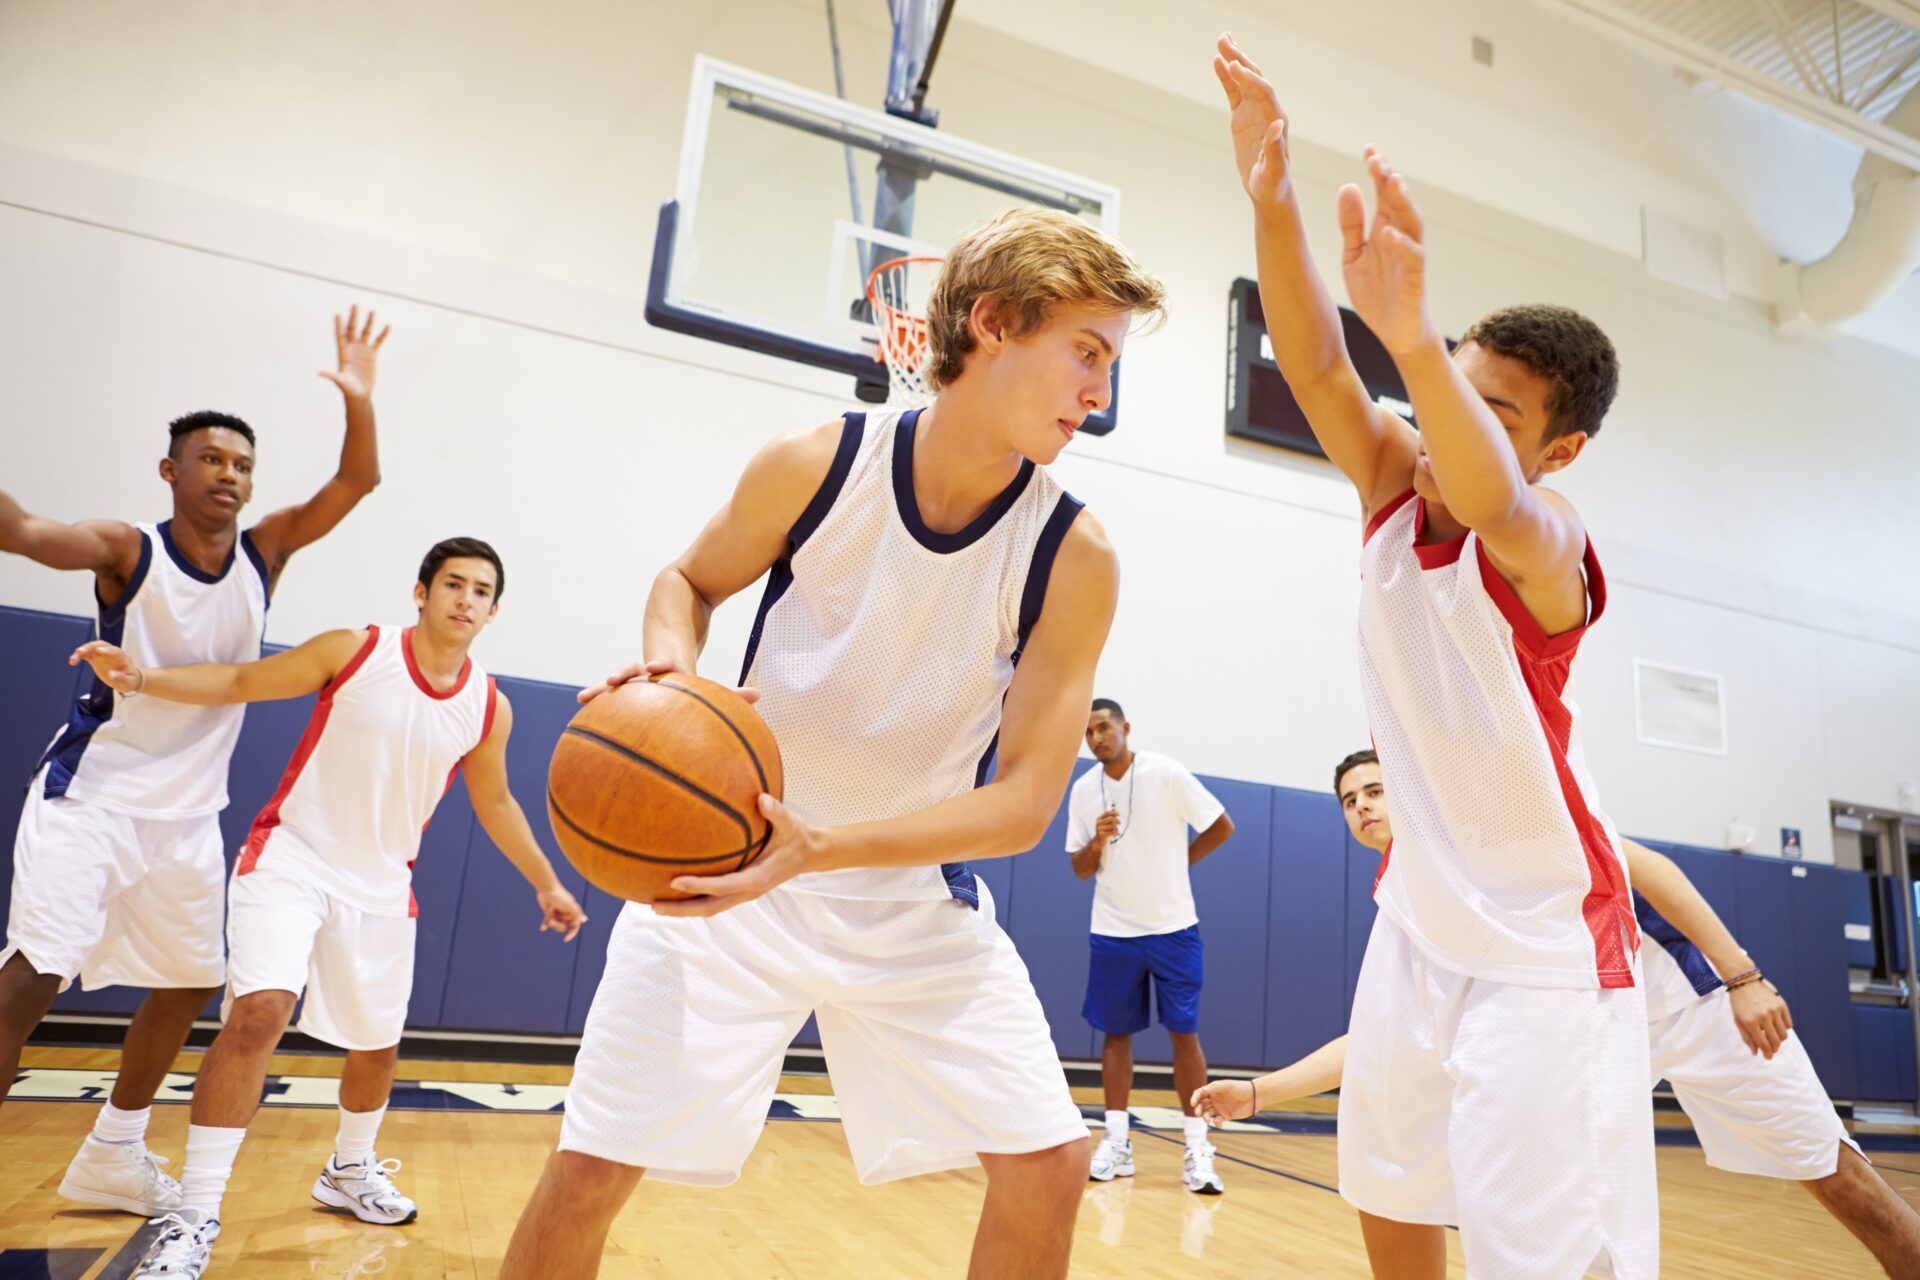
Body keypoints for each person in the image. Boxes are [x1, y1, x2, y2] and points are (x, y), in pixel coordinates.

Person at [500, 207, 1166, 1280]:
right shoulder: (820, 462)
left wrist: (821, 848)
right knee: (588, 1170)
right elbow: (686, 581)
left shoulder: (1073, 553)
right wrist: (669, 678)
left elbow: (1025, 804)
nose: (1100, 391)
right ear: (994, 324)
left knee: (1049, 1165)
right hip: (723, 886)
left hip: (907, 903)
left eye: (1111, 365)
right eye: (1087, 352)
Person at [1219, 32, 1653, 1277]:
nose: (1436, 419)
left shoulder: (1548, 539)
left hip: (1548, 938)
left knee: (1534, 1247)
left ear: (1558, 450)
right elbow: (1314, 361)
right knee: (1388, 1187)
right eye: (1441, 388)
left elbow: (1497, 499)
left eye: (1487, 407)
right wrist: (1272, 198)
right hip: (1421, 914)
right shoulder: (1392, 486)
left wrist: (1412, 341)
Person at [66, 537, 587, 1279]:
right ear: (421, 592)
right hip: (291, 857)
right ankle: (196, 1213)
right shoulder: (356, 649)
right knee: (260, 1013)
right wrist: (142, 677)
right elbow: (242, 678)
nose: (465, 600)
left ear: (493, 611)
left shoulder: (488, 706)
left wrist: (547, 881)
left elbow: (496, 801)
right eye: (453, 584)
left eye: (480, 591)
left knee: (376, 1045)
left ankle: (348, 1169)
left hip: (381, 884)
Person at [1194, 748, 1920, 1279]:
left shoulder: (1491, 819)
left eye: (1376, 789)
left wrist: (1743, 977)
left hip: (1691, 1006)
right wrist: (1260, 1091)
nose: (1362, 806)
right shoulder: (1401, 895)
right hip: (1585, 1037)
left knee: (1839, 1176)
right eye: (1349, 799)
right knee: (1573, 1229)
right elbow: (1385, 1039)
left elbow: (1653, 872)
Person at [0, 308, 389, 1221]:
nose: (229, 475)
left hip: (185, 814)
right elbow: (24, 531)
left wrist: (358, 399)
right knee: (31, 979)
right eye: (210, 459)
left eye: (242, 464)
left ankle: (113, 1154)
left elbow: (357, 480)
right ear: (171, 471)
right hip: (92, 797)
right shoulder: (126, 549)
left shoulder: (264, 553)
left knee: (188, 981)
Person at [1068, 697, 1235, 1193]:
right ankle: (1116, 1142)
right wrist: (1097, 842)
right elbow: (1078, 869)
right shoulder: (1084, 790)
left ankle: (1197, 1148)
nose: (1096, 738)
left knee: (1184, 1035)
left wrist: (1179, 865)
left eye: (1103, 727)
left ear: (1126, 728)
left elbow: (1221, 825)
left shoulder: (1165, 773)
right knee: (1115, 1035)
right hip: (1113, 930)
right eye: (1088, 732)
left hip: (1173, 928)